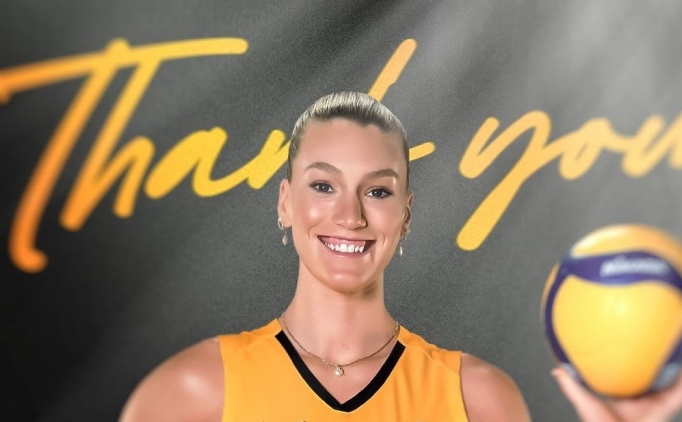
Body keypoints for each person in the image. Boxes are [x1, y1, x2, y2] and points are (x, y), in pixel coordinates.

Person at [119, 92, 682, 422]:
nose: (350, 215)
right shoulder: (190, 394)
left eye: (378, 190)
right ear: (285, 202)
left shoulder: (478, 400)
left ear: (406, 213)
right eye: (323, 186)